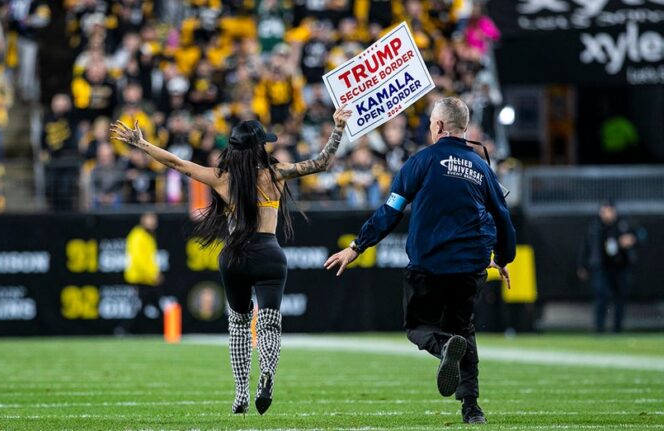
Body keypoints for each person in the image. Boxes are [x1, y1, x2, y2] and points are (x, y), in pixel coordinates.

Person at [111, 105, 352, 415]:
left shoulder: (221, 178)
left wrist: (140, 143)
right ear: (257, 147)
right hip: (268, 252)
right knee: (268, 325)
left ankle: (240, 393)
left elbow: (178, 163)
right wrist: (338, 129)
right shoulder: (276, 173)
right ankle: (267, 373)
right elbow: (322, 162)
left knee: (238, 326)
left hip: (235, 255)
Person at [324, 97, 516, 425]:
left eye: (431, 122)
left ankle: (443, 349)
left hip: (429, 265)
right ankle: (472, 409)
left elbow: (390, 212)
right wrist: (503, 257)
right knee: (465, 330)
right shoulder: (482, 167)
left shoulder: (421, 162)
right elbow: (503, 218)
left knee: (417, 327)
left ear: (438, 126)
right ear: (464, 127)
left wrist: (357, 246)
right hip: (470, 268)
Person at [577, 201, 638, 333]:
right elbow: (586, 246)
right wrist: (582, 264)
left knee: (620, 297)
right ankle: (599, 327)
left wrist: (632, 239)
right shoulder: (595, 226)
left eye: (610, 211)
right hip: (601, 267)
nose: (608, 214)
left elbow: (641, 235)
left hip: (620, 266)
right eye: (605, 211)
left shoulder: (623, 224)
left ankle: (617, 327)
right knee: (601, 295)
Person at [123, 212, 163, 333]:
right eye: (149, 219)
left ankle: (126, 329)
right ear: (142, 220)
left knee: (146, 305)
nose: (152, 222)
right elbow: (139, 260)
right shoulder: (138, 236)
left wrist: (154, 273)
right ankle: (124, 329)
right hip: (140, 278)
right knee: (143, 306)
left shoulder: (147, 236)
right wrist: (153, 274)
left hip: (147, 278)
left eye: (154, 219)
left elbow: (149, 259)